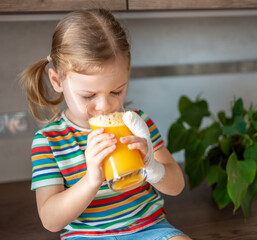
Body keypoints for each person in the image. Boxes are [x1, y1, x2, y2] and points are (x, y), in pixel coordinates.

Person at [21, 8, 190, 240]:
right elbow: (51, 220)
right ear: (57, 80)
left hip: (149, 229)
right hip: (86, 236)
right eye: (89, 95)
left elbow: (177, 185)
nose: (105, 106)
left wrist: (152, 165)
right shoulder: (49, 142)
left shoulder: (138, 124)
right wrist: (91, 180)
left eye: (116, 90)